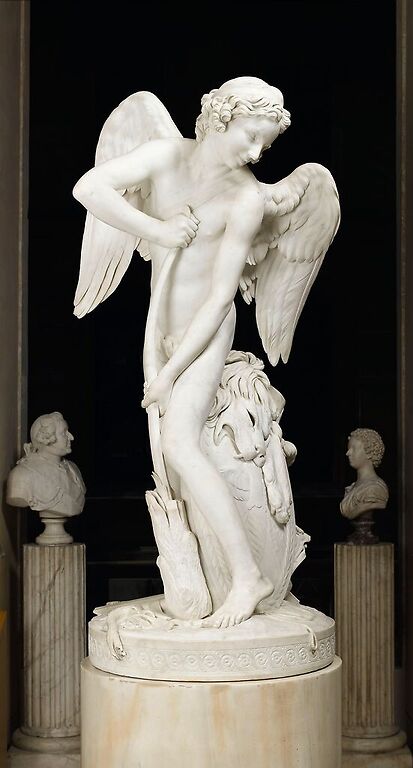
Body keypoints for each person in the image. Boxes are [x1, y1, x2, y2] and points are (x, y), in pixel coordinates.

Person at [72, 77, 293, 627]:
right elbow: (89, 188)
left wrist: (170, 373)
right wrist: (159, 229)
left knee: (178, 442)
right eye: (250, 136)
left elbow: (220, 298)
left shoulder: (246, 199)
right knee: (169, 459)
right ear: (220, 119)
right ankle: (206, 577)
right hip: (161, 330)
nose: (256, 153)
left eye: (265, 144)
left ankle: (247, 577)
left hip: (205, 333)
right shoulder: (167, 155)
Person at [7, 411, 85, 518]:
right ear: (47, 438)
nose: (71, 437)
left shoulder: (73, 469)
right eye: (64, 433)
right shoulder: (22, 474)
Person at [340, 428, 388, 520]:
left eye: (353, 448)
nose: (347, 453)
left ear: (369, 452)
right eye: (348, 449)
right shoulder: (353, 487)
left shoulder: (375, 489)